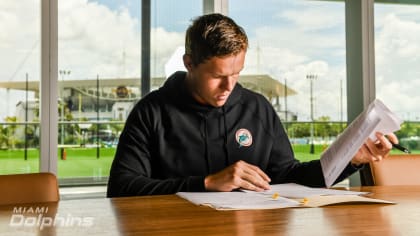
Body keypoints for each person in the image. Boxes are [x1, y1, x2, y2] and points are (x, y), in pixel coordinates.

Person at [107, 13, 397, 197]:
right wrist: (206, 182)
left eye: (236, 73)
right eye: (218, 76)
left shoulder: (257, 107)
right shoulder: (151, 111)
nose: (229, 86)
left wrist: (352, 159)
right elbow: (122, 188)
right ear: (189, 63)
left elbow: (288, 176)